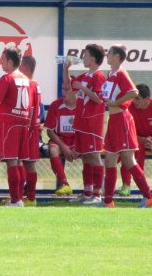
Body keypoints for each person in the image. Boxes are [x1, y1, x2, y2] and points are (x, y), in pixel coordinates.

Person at [99, 45, 152, 208]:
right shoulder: (110, 75)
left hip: (123, 121)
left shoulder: (121, 73)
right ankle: (108, 201)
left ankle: (149, 196)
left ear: (117, 56)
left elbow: (133, 92)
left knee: (128, 160)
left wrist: (116, 102)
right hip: (113, 121)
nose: (107, 56)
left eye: (109, 53)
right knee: (109, 161)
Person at [64, 44, 106, 205]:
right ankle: (87, 192)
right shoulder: (86, 75)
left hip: (92, 125)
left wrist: (83, 88)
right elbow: (69, 84)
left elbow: (99, 99)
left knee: (94, 157)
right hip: (81, 123)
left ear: (93, 58)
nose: (83, 58)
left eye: (86, 55)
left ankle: (97, 193)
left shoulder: (98, 76)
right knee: (86, 158)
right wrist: (66, 69)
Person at [0, 47, 32, 207]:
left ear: (10, 61)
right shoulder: (26, 80)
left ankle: (16, 200)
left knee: (12, 162)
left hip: (9, 125)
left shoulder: (6, 78)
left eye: (2, 60)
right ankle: (18, 198)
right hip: (23, 124)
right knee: (19, 162)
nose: (1, 63)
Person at [44, 80, 78, 197]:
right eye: (62, 89)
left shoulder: (82, 106)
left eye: (67, 89)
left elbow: (86, 131)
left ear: (75, 91)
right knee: (53, 149)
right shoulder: (56, 105)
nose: (63, 92)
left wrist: (77, 146)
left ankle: (92, 188)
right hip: (60, 140)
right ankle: (64, 184)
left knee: (90, 152)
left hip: (77, 141)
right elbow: (50, 131)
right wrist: (63, 147)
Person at [17, 55, 41, 206]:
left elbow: (30, 108)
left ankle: (30, 198)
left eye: (19, 67)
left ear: (25, 68)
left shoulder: (29, 84)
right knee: (21, 162)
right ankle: (18, 197)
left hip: (29, 129)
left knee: (26, 163)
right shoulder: (35, 84)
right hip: (32, 128)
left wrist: (27, 127)